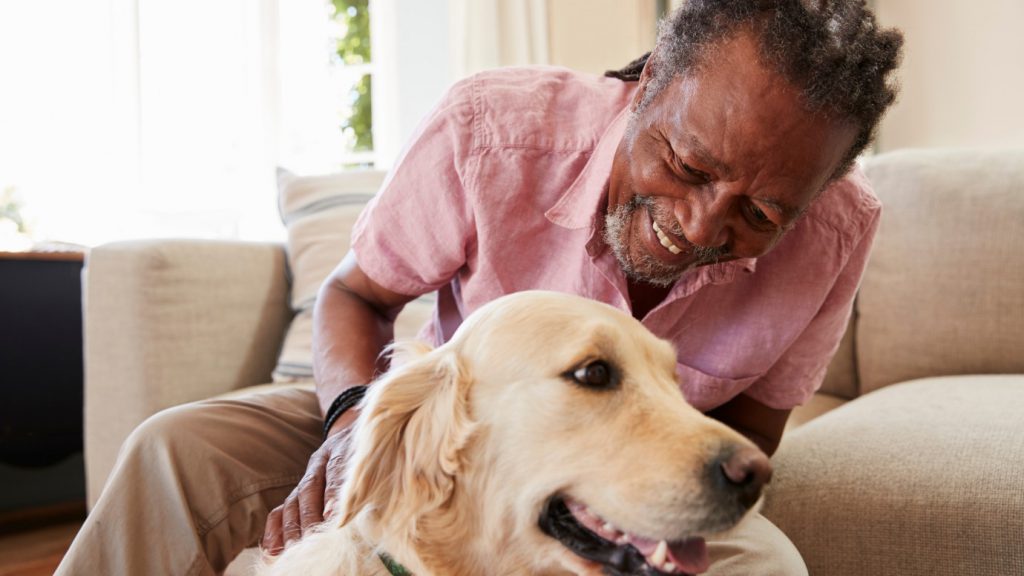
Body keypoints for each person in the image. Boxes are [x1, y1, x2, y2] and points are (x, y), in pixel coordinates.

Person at [56, 0, 902, 574]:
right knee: (175, 449)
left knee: (771, 567)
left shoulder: (836, 234)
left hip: (620, 467)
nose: (702, 224)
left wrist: (626, 504)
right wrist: (354, 425)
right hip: (442, 408)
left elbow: (749, 432)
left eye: (759, 212)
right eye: (685, 164)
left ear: (820, 192)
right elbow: (356, 296)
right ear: (645, 88)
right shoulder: (492, 130)